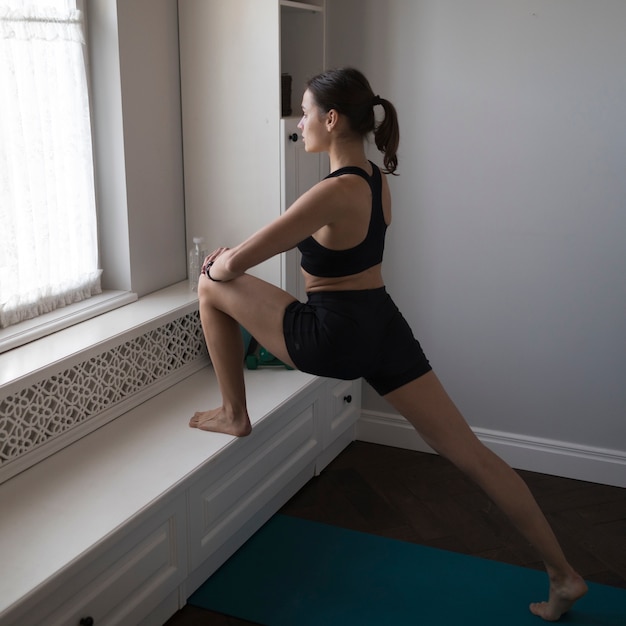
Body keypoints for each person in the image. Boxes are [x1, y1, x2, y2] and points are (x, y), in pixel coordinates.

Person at [189, 67, 588, 621]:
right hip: (382, 323)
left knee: (210, 283)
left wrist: (219, 258)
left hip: (332, 335)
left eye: (305, 114)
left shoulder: (330, 191)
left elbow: (234, 264)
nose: (299, 124)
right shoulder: (376, 180)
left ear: (330, 120)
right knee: (470, 452)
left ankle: (235, 412)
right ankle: (564, 575)